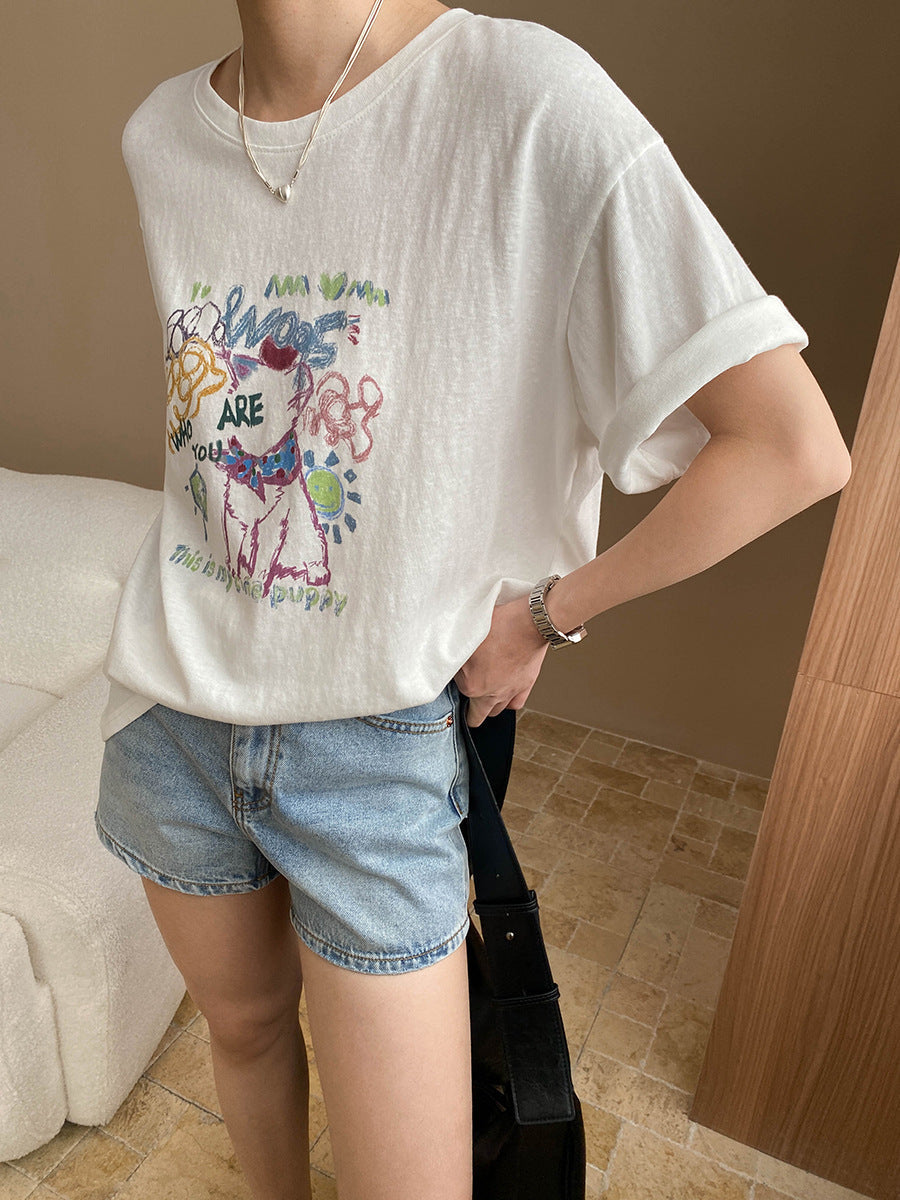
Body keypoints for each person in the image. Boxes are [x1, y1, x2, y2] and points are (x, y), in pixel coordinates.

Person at [93, 1, 852, 1197]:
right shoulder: (160, 136)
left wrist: (548, 611)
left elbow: (791, 446)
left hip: (378, 748)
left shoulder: (523, 95)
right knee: (242, 1035)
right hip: (170, 716)